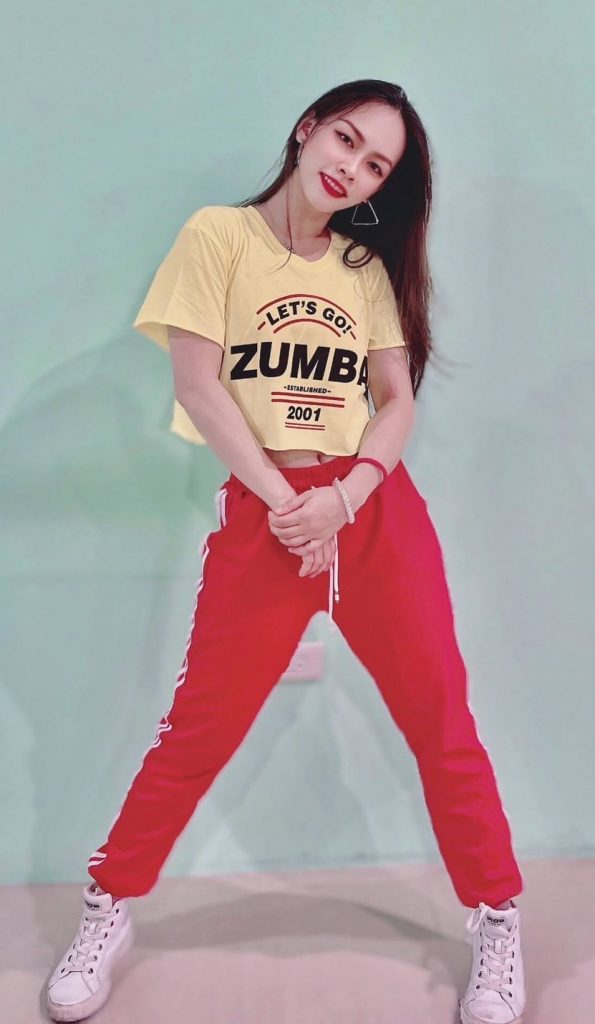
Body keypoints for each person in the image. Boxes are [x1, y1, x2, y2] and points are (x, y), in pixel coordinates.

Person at [46, 78, 526, 1024]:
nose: (352, 168)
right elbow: (199, 387)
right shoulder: (218, 238)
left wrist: (345, 496)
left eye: (376, 165)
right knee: (197, 731)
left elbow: (396, 402)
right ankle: (109, 905)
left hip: (370, 513)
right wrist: (287, 503)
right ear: (308, 130)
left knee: (441, 723)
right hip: (267, 515)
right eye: (345, 139)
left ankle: (499, 916)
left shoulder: (363, 268)